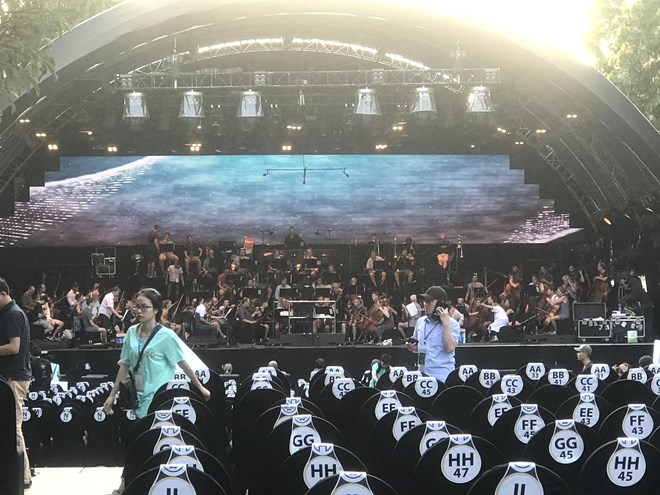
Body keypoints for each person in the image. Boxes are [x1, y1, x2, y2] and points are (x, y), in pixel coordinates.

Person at [0, 277, 33, 488]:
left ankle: (23, 477)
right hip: (12, 376)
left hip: (14, 377)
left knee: (14, 428)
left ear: (3, 293)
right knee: (11, 428)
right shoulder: (10, 313)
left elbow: (14, 347)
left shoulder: (13, 314)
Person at [406, 286, 460, 382]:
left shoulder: (452, 324)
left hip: (442, 376)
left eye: (429, 301)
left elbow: (450, 348)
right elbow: (419, 346)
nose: (425, 304)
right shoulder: (420, 322)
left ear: (440, 304)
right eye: (425, 301)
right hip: (422, 374)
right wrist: (412, 347)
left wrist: (445, 324)